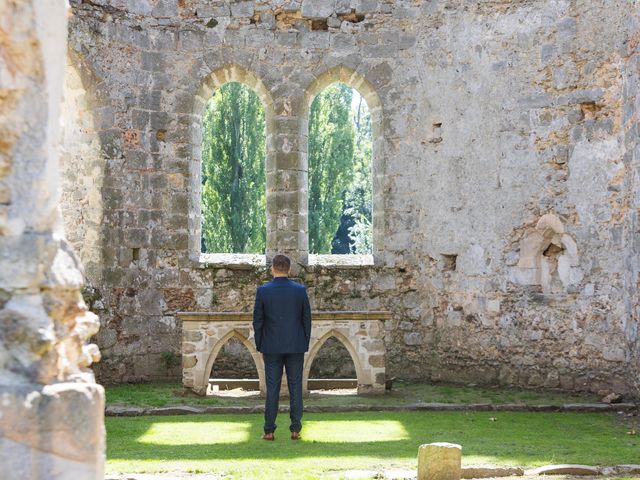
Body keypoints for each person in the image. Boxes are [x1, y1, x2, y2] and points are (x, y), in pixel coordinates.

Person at [252, 254, 312, 441]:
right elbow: (306, 320)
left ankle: (269, 430)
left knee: (273, 389)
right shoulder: (299, 291)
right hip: (295, 345)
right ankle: (295, 429)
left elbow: (258, 321)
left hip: (271, 346)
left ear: (272, 269)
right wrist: (304, 342)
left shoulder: (263, 291)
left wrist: (260, 345)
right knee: (295, 387)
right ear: (289, 269)